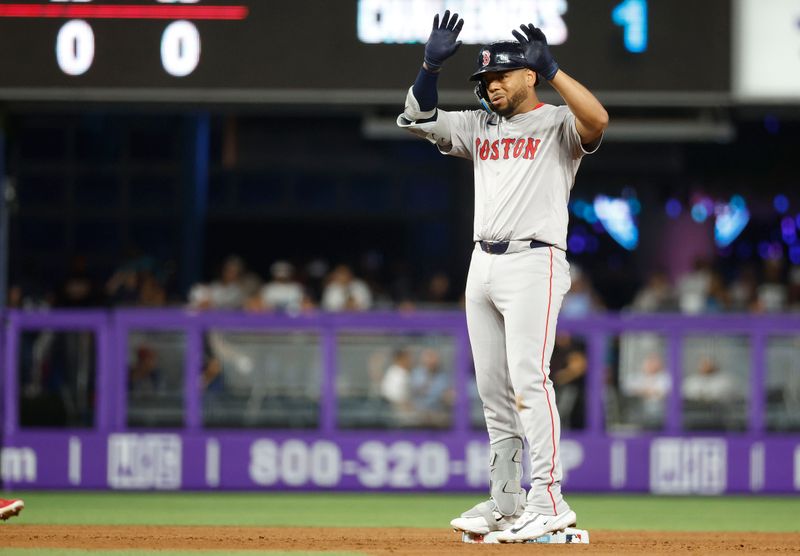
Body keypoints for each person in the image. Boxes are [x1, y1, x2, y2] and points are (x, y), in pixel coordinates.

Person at [397, 11, 607, 542]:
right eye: (484, 79)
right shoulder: (477, 124)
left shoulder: (557, 122)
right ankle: (507, 501)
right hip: (482, 263)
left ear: (528, 76)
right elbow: (419, 118)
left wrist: (556, 71)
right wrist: (428, 67)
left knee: (529, 383)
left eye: (500, 76)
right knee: (493, 391)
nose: (490, 84)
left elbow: (598, 120)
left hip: (535, 260)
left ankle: (550, 499)